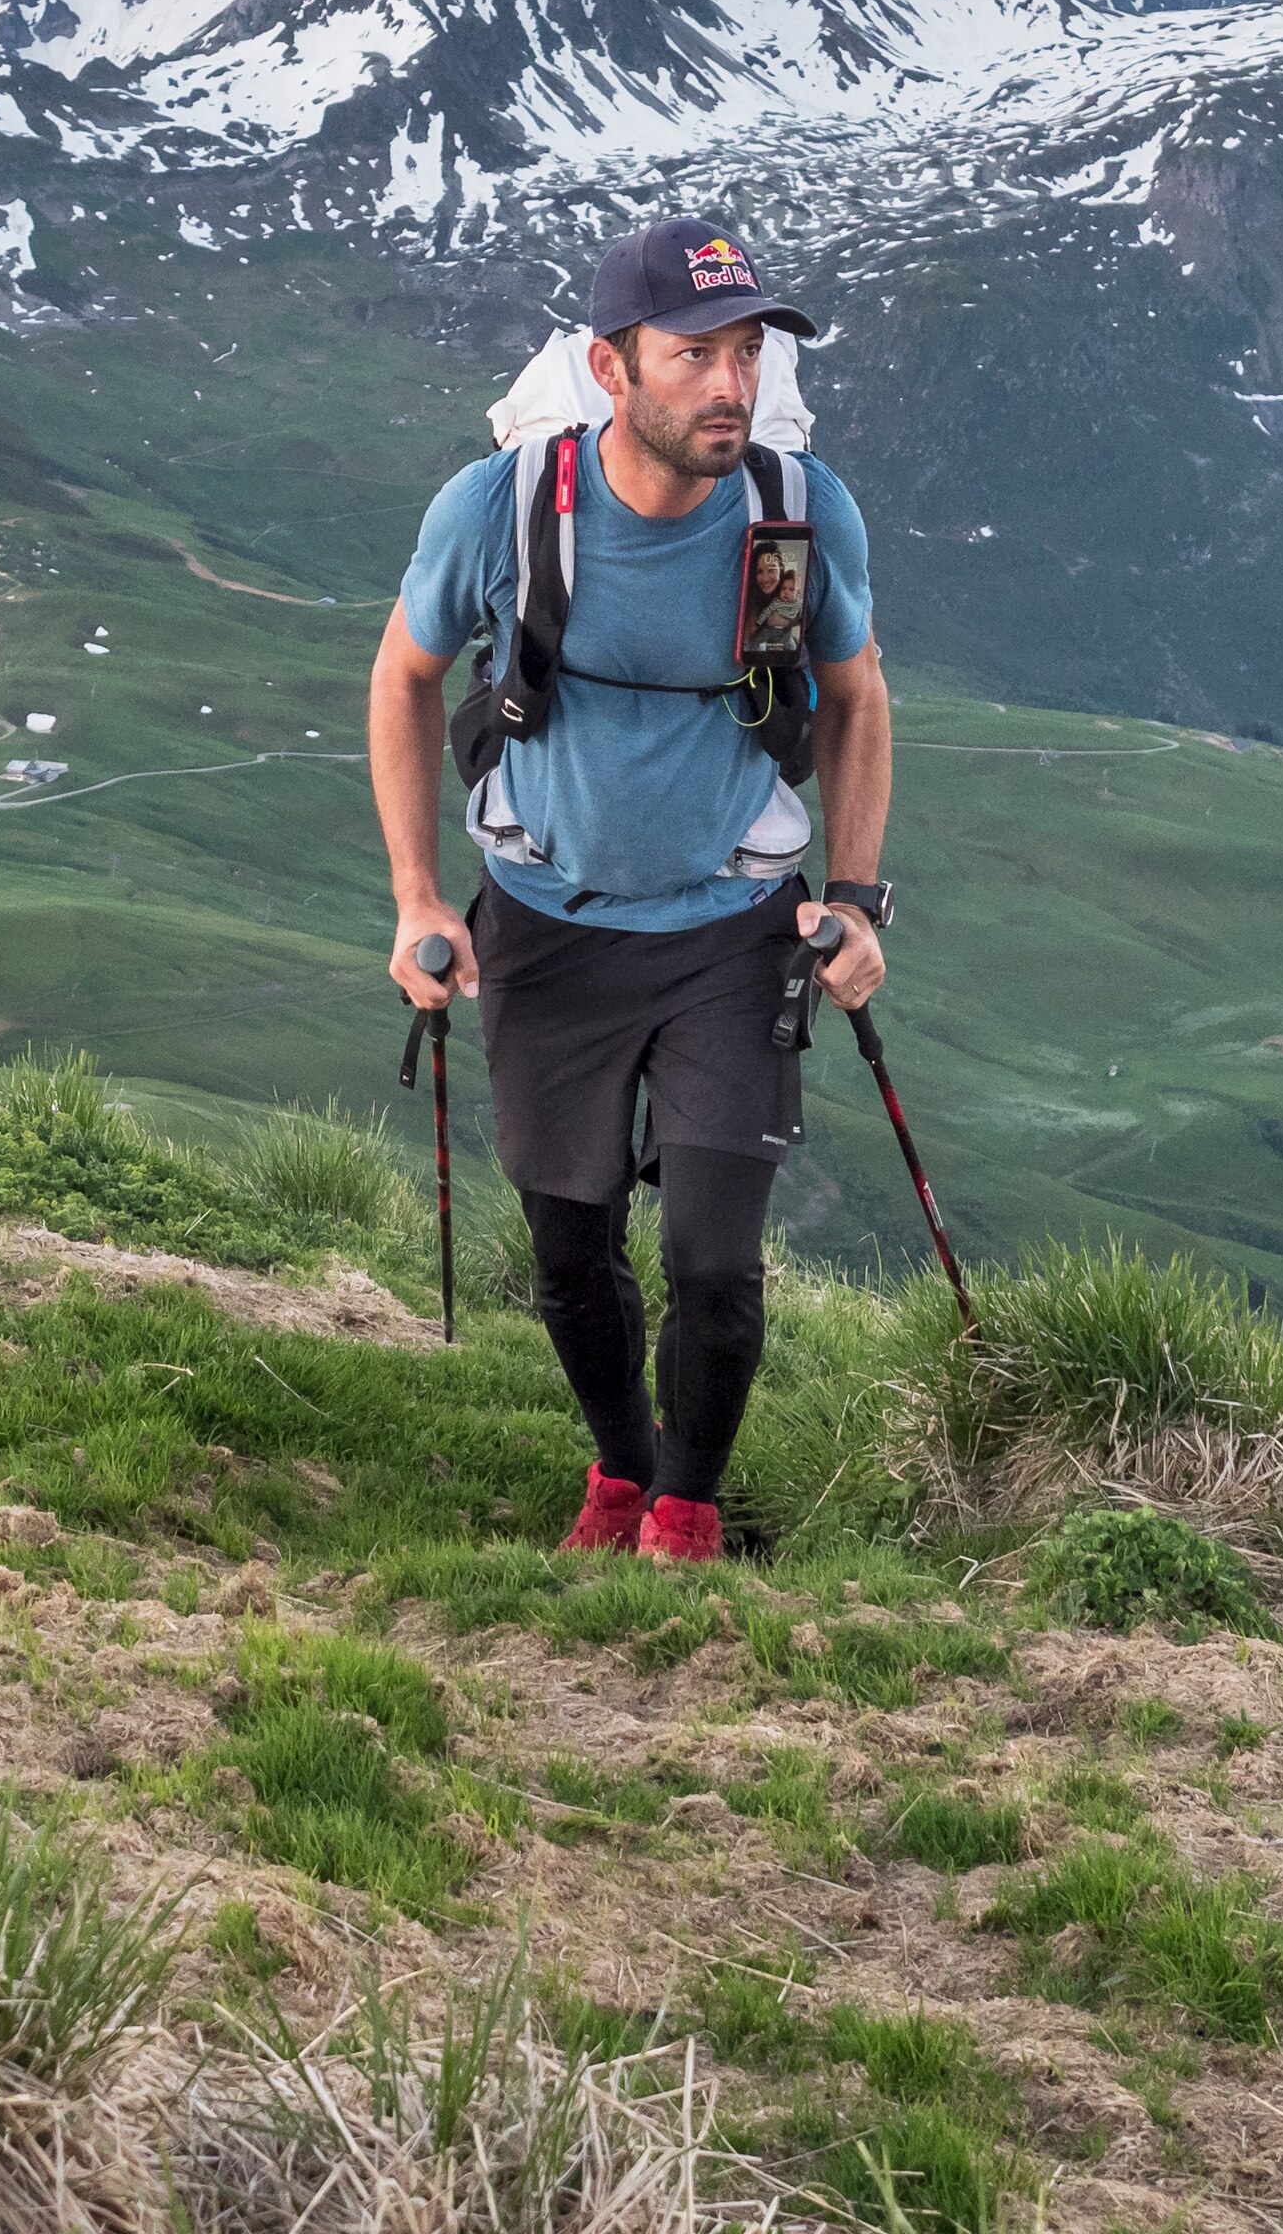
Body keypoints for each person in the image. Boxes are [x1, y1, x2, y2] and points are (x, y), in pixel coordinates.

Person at [368, 217, 895, 1563]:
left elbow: (856, 695)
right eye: (695, 356)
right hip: (545, 929)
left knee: (715, 1266)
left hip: (735, 930)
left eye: (749, 352)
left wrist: (857, 896)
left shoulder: (798, 509)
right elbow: (405, 677)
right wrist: (420, 898)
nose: (733, 384)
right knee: (568, 1252)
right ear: (613, 369)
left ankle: (687, 1512)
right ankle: (622, 1467)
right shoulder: (500, 509)